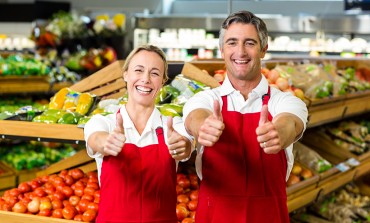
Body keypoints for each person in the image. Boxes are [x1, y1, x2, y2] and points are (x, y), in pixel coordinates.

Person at [182, 10, 308, 223]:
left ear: (263, 50)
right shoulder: (204, 100)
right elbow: (195, 117)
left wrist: (279, 132)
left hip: (268, 216)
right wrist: (204, 126)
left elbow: (290, 122)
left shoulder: (285, 101)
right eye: (232, 43)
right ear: (222, 50)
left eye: (249, 43)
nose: (240, 51)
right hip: (215, 216)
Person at [84, 45, 193, 223]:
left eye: (155, 73)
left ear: (163, 81)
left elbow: (186, 145)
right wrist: (107, 142)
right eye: (138, 70)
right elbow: (95, 138)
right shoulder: (104, 123)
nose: (145, 79)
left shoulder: (173, 125)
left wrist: (183, 145)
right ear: (126, 74)